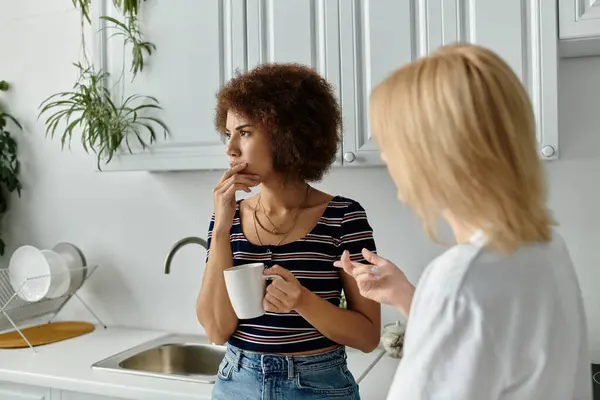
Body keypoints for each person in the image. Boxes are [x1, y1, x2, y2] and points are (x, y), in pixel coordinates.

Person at [335, 43, 592, 399]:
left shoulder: (462, 278)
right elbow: (492, 347)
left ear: (435, 154)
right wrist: (411, 298)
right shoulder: (541, 244)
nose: (387, 155)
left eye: (392, 142)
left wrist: (439, 296)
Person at [196, 63, 381, 399]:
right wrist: (221, 228)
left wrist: (302, 301)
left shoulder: (343, 217)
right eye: (228, 134)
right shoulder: (228, 218)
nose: (230, 148)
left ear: (287, 134)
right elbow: (216, 328)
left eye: (245, 132)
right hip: (237, 383)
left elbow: (368, 337)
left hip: (317, 385)